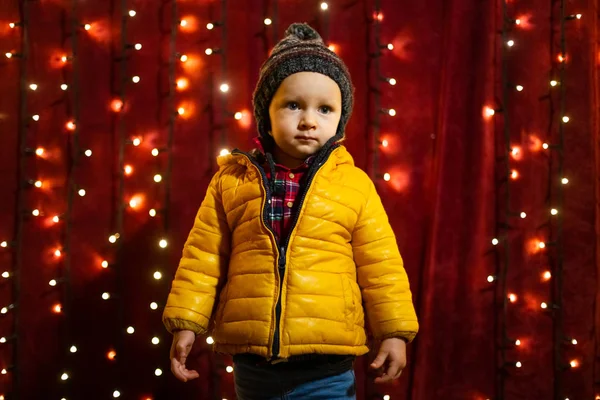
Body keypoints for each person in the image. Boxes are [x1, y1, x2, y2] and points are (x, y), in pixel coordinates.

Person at [162, 22, 419, 400]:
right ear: (266, 113)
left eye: (325, 109)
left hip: (327, 366)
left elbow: (381, 267)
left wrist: (394, 333)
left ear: (341, 120)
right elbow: (203, 258)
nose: (309, 120)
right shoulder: (231, 181)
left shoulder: (354, 185)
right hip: (255, 367)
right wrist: (187, 324)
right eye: (293, 105)